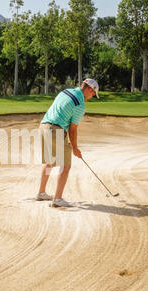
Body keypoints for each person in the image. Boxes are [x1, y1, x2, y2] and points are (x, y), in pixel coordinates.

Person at [36, 79, 99, 208]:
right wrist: (75, 148)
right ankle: (58, 199)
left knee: (49, 162)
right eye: (93, 94)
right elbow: (73, 130)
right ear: (89, 89)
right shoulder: (79, 104)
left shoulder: (65, 91)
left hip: (43, 126)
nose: (91, 97)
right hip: (56, 130)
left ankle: (41, 193)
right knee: (66, 166)